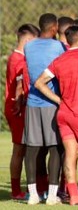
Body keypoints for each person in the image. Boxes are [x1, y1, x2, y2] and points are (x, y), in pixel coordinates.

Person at [33, 25, 78, 205]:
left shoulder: (60, 60)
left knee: (70, 153)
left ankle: (74, 196)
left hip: (64, 114)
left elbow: (39, 83)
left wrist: (58, 100)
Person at [23, 14, 65, 205]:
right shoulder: (58, 47)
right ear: (55, 28)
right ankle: (52, 194)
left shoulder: (28, 46)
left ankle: (32, 194)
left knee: (31, 149)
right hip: (52, 103)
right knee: (55, 148)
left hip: (32, 102)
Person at [5, 24, 39, 200]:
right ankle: (16, 191)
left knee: (25, 149)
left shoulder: (17, 57)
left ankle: (26, 188)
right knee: (19, 150)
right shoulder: (19, 60)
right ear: (27, 41)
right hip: (17, 109)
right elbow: (19, 87)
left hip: (21, 108)